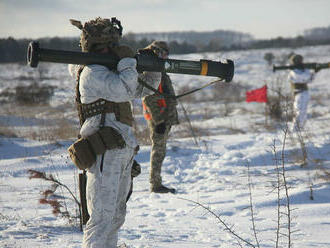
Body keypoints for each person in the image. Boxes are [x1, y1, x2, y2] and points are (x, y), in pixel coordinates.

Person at [68, 17, 161, 248]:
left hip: (120, 152)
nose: (112, 50)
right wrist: (128, 60)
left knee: (116, 218)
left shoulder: (112, 72)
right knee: (101, 220)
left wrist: (154, 65)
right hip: (104, 153)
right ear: (96, 48)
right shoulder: (92, 73)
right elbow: (125, 89)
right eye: (107, 47)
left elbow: (142, 89)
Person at [141, 41, 179, 194]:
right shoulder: (150, 70)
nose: (165, 57)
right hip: (158, 118)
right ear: (156, 52)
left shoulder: (158, 69)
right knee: (158, 151)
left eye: (167, 54)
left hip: (164, 117)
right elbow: (148, 97)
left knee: (160, 151)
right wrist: (159, 120)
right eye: (163, 53)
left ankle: (156, 183)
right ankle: (155, 184)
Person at [287, 54, 315, 132]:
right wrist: (309, 73)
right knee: (298, 111)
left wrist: (314, 72)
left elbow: (310, 79)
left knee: (303, 112)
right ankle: (295, 129)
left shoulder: (302, 69)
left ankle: (300, 129)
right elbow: (302, 77)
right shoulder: (294, 70)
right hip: (299, 93)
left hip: (304, 92)